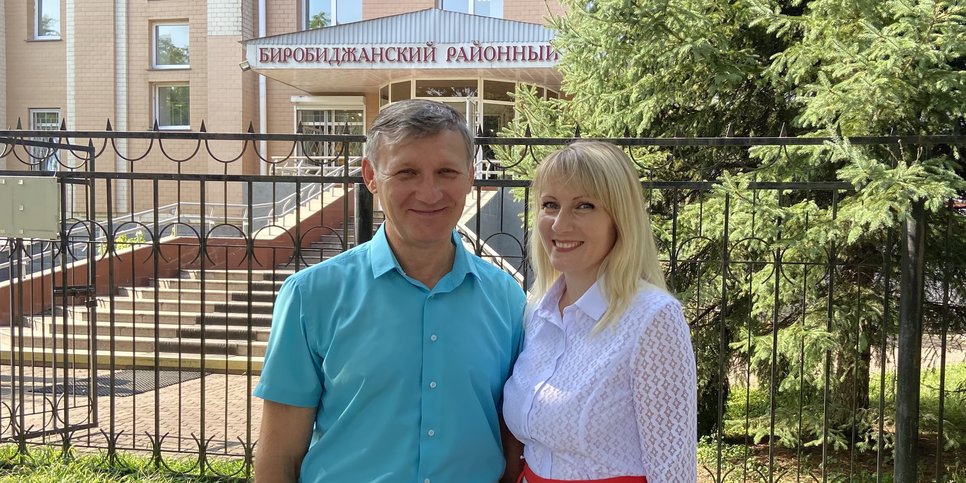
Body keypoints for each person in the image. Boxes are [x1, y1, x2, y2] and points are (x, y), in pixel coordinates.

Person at [254, 99, 526, 483]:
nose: (429, 193)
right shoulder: (311, 296)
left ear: (470, 176)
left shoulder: (508, 300)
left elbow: (511, 440)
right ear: (370, 176)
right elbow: (279, 457)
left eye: (446, 171)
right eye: (407, 172)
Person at [503, 141, 697, 482]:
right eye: (550, 204)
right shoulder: (537, 312)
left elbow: (673, 469)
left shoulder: (652, 318)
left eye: (584, 206)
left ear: (619, 220)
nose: (560, 224)